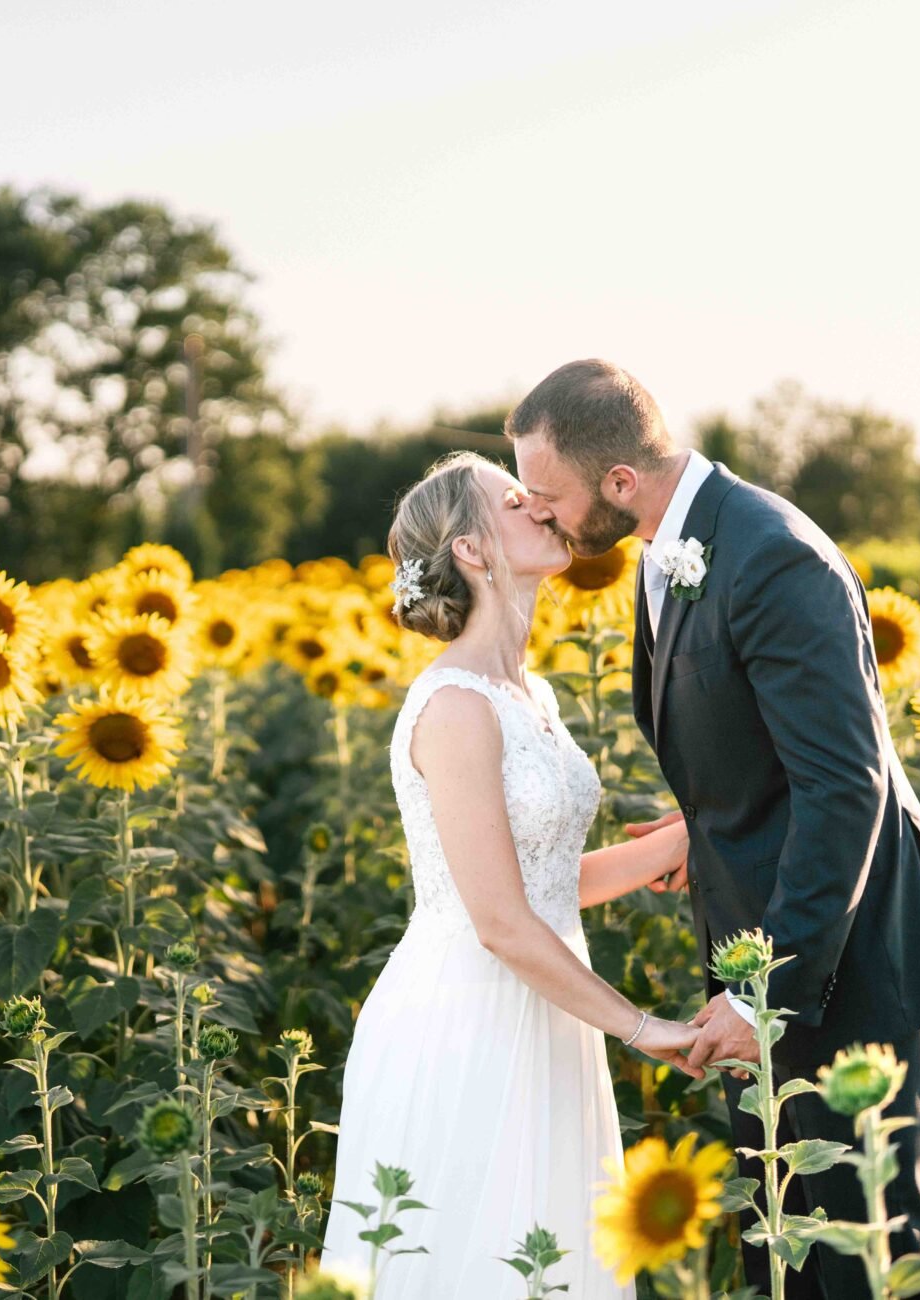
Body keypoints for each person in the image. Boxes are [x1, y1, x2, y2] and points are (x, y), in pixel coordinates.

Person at [508, 359, 920, 1300]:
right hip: (768, 943)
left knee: (859, 1267)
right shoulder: (672, 544)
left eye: (548, 496)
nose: (541, 515)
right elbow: (774, 743)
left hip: (843, 966)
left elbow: (846, 787)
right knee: (788, 1251)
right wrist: (704, 822)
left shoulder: (770, 553)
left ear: (620, 482)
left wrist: (767, 996)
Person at [318, 450, 699, 1299]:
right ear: (472, 550)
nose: (543, 508)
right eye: (517, 501)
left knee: (552, 1260)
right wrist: (644, 1029)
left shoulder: (533, 694)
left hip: (551, 1004)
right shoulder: (454, 706)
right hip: (466, 1016)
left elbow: (550, 884)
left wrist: (686, 843)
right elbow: (495, 918)